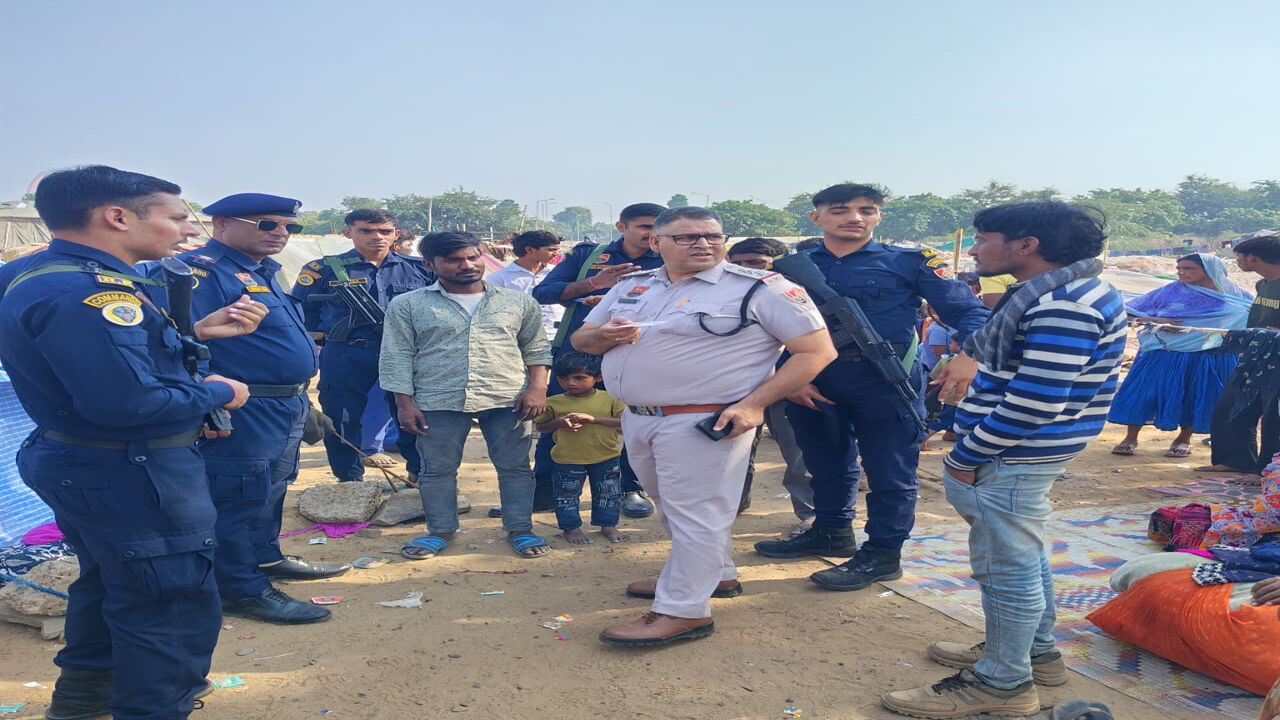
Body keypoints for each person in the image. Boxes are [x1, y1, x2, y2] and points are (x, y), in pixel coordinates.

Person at [0, 166, 255, 720]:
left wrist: (194, 336)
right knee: (169, 602)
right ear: (116, 217)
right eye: (176, 217)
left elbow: (103, 364)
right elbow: (126, 404)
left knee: (111, 583)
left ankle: (81, 702)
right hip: (130, 468)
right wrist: (219, 391)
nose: (189, 230)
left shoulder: (37, 273)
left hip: (86, 459)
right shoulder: (88, 292)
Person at [882, 201, 1127, 719]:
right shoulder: (1061, 291)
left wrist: (968, 453)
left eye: (982, 238)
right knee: (1023, 556)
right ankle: (1035, 654)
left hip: (1014, 454)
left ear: (1026, 245)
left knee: (1005, 569)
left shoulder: (1063, 304)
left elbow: (1038, 400)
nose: (974, 249)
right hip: (1026, 450)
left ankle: (1002, 683)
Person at [573, 207, 836, 646]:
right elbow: (582, 337)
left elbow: (816, 351)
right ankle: (716, 574)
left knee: (697, 513)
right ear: (655, 242)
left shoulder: (762, 288)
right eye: (687, 237)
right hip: (640, 417)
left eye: (713, 236)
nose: (703, 244)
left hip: (706, 419)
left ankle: (683, 610)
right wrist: (605, 337)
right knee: (670, 505)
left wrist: (755, 405)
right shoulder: (634, 284)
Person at [754, 183, 989, 593]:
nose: (855, 217)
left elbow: (969, 312)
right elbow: (761, 328)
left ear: (879, 216)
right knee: (825, 462)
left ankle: (883, 553)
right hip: (812, 380)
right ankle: (831, 532)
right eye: (840, 209)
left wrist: (969, 356)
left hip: (885, 381)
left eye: (867, 210)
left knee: (889, 471)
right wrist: (787, 376)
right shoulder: (788, 268)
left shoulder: (911, 262)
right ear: (817, 218)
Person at [157, 192, 352, 625]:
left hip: (285, 402)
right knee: (238, 495)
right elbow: (183, 344)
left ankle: (265, 557)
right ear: (221, 224)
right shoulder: (200, 273)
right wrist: (204, 407)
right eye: (267, 224)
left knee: (272, 487)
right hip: (244, 406)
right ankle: (240, 587)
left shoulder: (261, 271)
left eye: (289, 227)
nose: (281, 233)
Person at [380, 231, 553, 560]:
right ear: (430, 265)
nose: (467, 265)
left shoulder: (517, 302)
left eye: (473, 257)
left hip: (507, 397)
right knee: (437, 469)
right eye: (454, 260)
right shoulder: (408, 305)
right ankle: (440, 531)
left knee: (515, 467)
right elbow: (396, 356)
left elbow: (536, 348)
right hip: (437, 398)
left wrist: (537, 388)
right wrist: (404, 404)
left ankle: (520, 528)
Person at [532, 202, 667, 518]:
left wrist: (614, 302)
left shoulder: (668, 258)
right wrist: (593, 284)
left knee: (632, 421)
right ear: (622, 227)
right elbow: (544, 293)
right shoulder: (588, 255)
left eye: (658, 228)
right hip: (579, 355)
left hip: (638, 354)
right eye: (645, 226)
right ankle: (545, 490)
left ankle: (628, 489)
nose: (653, 234)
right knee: (561, 418)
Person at [292, 209, 435, 482]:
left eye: (385, 231)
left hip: (405, 354)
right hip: (346, 352)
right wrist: (318, 343)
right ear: (348, 233)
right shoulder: (323, 269)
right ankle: (350, 480)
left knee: (413, 414)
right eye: (366, 231)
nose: (377, 237)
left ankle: (419, 476)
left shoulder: (420, 268)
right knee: (342, 417)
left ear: (395, 233)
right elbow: (302, 312)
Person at [727, 237, 857, 534]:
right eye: (738, 264)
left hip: (790, 386)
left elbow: (813, 347)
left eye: (755, 263)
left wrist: (798, 380)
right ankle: (731, 504)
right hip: (739, 386)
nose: (746, 270)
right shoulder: (723, 294)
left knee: (800, 455)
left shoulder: (796, 295)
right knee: (732, 452)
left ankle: (810, 515)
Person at [1107, 253, 1252, 458]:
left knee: (1197, 395)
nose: (1181, 273)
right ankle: (1130, 438)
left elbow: (1253, 320)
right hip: (1164, 353)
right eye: (1179, 269)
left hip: (1209, 355)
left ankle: (1183, 439)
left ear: (1210, 271)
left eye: (1188, 268)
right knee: (1144, 393)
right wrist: (1156, 320)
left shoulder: (1238, 297)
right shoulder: (1168, 291)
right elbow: (1127, 311)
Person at [1200, 231, 1280, 476]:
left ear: (1252, 258)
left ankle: (1268, 470)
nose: (1237, 261)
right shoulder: (1262, 284)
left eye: (1239, 256)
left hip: (1276, 359)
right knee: (1230, 406)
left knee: (1273, 415)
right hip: (1254, 355)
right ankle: (1236, 460)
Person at [532, 352, 627, 544]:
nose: (571, 383)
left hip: (606, 456)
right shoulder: (554, 402)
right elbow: (540, 427)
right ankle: (571, 528)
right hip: (567, 459)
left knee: (608, 494)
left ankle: (608, 525)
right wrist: (559, 423)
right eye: (563, 378)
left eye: (579, 378)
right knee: (566, 496)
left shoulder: (610, 399)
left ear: (598, 377)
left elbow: (625, 422)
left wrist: (594, 420)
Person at [486, 229, 565, 339]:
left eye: (557, 250)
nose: (556, 254)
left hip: (558, 336)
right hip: (520, 340)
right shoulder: (498, 279)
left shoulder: (559, 273)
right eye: (551, 250)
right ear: (529, 249)